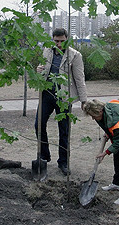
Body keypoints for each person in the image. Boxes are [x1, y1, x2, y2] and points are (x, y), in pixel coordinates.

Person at [35, 28, 87, 176]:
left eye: (62, 41)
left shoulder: (75, 55)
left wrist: (83, 100)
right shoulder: (47, 51)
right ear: (52, 40)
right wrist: (39, 70)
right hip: (46, 94)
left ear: (67, 40)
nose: (58, 44)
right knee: (38, 125)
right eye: (56, 41)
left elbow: (79, 78)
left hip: (64, 97)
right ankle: (44, 156)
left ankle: (63, 162)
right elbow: (42, 69)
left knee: (64, 131)